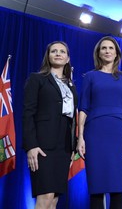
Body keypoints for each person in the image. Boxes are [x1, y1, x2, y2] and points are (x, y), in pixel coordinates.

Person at [76, 36, 122, 209]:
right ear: (98, 53)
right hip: (94, 132)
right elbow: (84, 108)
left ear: (116, 53)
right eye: (104, 48)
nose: (107, 51)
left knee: (117, 187)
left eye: (111, 48)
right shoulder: (90, 76)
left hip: (118, 132)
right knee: (96, 187)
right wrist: (80, 137)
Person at [22, 41, 78, 209]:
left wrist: (72, 147)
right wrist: (31, 145)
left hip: (64, 147)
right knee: (45, 196)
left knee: (54, 199)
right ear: (48, 56)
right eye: (54, 51)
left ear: (68, 58)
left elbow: (72, 118)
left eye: (62, 51)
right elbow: (27, 113)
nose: (58, 53)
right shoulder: (37, 79)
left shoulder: (71, 86)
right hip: (43, 145)